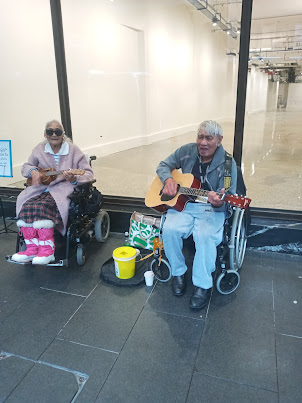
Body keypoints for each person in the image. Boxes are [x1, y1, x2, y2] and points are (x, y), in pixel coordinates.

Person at [156, 120, 237, 309]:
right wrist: (168, 179)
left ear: (219, 140)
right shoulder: (187, 151)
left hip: (212, 209)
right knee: (169, 229)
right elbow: (163, 165)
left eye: (209, 138)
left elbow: (229, 193)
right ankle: (178, 272)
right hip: (185, 204)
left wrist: (220, 199)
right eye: (200, 137)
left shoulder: (227, 163)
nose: (203, 142)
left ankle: (202, 285)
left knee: (205, 235)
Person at [11, 119, 93, 265]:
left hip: (63, 188)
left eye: (58, 131)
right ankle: (31, 249)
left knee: (43, 207)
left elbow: (88, 173)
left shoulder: (73, 150)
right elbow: (26, 166)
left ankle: (47, 252)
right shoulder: (39, 149)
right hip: (41, 188)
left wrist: (74, 178)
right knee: (26, 205)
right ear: (45, 134)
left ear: (63, 134)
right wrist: (34, 172)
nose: (54, 134)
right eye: (50, 131)